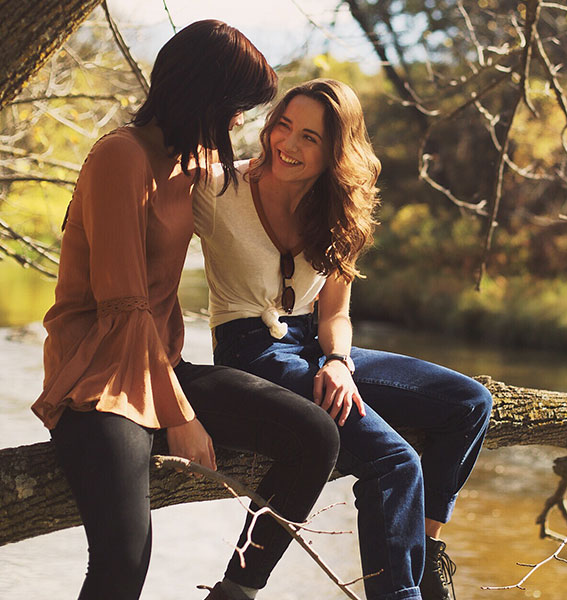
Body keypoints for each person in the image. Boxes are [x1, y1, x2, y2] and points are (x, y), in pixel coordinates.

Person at [31, 22, 340, 600]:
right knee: (125, 562)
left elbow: (262, 183)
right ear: (205, 97)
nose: (242, 121)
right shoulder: (120, 157)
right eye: (238, 108)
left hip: (157, 369)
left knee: (315, 436)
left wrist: (332, 184)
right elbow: (123, 306)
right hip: (96, 379)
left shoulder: (194, 161)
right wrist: (180, 417)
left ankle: (236, 592)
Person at [193, 78, 494, 600]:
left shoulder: (339, 208)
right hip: (249, 350)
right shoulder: (218, 188)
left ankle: (423, 557)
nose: (288, 144)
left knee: (470, 404)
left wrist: (336, 360)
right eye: (283, 126)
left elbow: (335, 312)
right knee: (394, 461)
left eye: (310, 137)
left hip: (313, 343)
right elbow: (152, 210)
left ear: (336, 148)